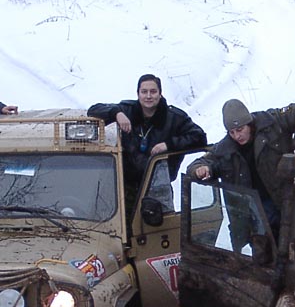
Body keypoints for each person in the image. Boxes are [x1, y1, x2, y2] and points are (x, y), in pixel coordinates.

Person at [188, 98, 295, 250]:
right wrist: (201, 169)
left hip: (287, 201)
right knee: (264, 255)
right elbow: (197, 165)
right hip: (255, 217)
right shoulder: (225, 150)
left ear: (249, 123)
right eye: (232, 132)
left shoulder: (272, 123)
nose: (237, 136)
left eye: (240, 129)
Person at [88, 74, 207, 208]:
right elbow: (93, 110)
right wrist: (116, 113)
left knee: (162, 221)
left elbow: (199, 137)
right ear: (138, 94)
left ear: (160, 94)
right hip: (125, 186)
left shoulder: (175, 118)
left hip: (159, 188)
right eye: (144, 92)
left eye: (153, 91)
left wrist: (168, 145)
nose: (148, 96)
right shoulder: (127, 110)